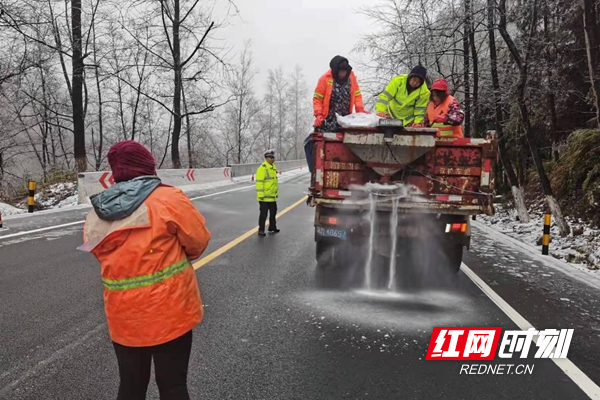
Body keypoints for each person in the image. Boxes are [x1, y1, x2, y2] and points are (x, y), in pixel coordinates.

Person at [78, 140, 211, 400]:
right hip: (171, 312)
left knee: (130, 386)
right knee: (173, 386)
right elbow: (198, 240)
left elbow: (100, 254)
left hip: (124, 318)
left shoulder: (99, 212)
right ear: (148, 166)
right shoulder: (168, 199)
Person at [313, 55, 366, 132]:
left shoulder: (352, 78)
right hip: (329, 119)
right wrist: (319, 115)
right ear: (335, 70)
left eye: (344, 72)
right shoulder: (325, 79)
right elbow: (317, 99)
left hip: (346, 119)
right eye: (341, 71)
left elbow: (357, 95)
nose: (342, 74)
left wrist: (360, 110)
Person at [255, 150, 279, 236]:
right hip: (264, 197)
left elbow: (274, 182)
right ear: (266, 158)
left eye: (273, 157)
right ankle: (261, 229)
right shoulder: (262, 168)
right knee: (263, 214)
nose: (272, 159)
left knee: (273, 213)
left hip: (272, 197)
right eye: (270, 157)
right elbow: (259, 182)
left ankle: (272, 227)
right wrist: (260, 195)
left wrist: (276, 193)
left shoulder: (273, 167)